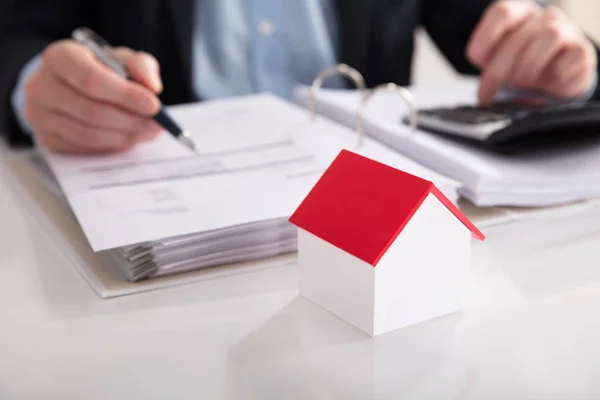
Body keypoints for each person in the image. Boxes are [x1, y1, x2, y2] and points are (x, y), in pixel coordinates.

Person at [0, 0, 598, 154]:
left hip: (368, 197)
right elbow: (17, 30)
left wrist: (564, 62)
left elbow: (507, 27)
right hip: (160, 184)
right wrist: (34, 85)